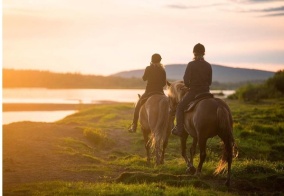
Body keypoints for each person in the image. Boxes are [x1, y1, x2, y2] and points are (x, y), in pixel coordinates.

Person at [171, 43, 212, 137]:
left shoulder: (191, 64)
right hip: (206, 92)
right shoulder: (208, 65)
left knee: (180, 107)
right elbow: (209, 82)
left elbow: (185, 80)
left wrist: (189, 86)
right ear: (204, 53)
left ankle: (179, 129)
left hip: (194, 92)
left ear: (194, 53)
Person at [128, 53, 167, 133]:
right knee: (169, 105)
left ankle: (134, 125)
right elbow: (164, 83)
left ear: (152, 60)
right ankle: (172, 125)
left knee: (138, 106)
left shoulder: (148, 68)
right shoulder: (162, 70)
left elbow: (144, 78)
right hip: (160, 92)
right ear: (160, 61)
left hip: (149, 91)